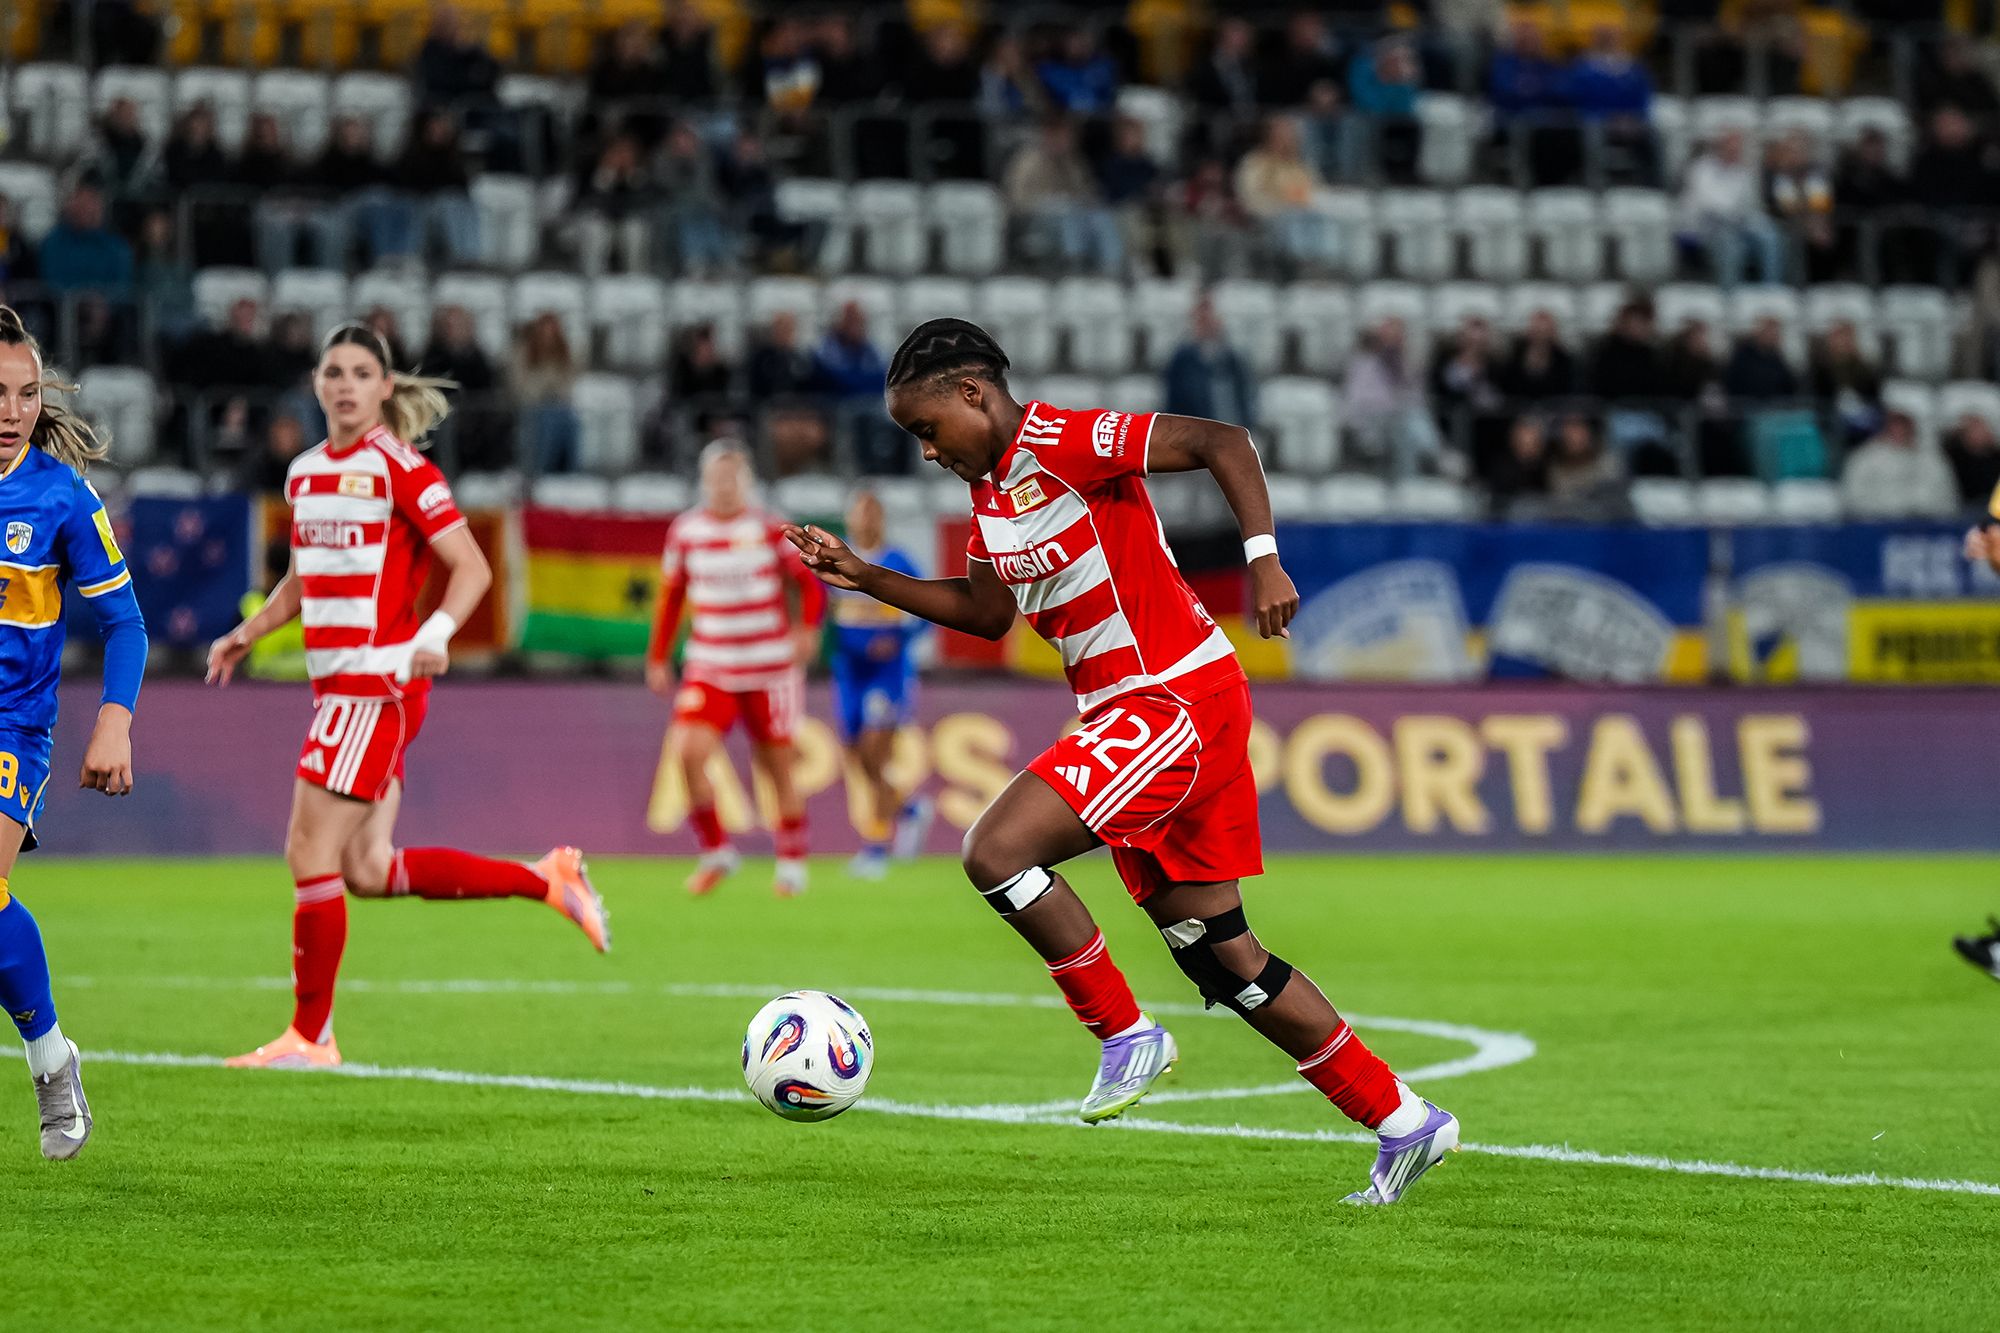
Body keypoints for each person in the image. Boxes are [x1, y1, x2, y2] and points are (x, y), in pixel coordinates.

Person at [785, 319, 1459, 1205]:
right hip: (1135, 713)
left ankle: (1124, 1033)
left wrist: (1263, 561)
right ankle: (1405, 1119)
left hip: (1174, 697)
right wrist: (866, 576)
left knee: (996, 849)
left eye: (928, 428)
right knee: (1222, 957)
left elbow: (1222, 441)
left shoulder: (1066, 440)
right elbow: (986, 614)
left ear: (973, 394)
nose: (927, 452)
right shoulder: (991, 497)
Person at [204, 323, 608, 1070]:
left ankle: (310, 1037)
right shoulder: (304, 473)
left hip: (377, 684)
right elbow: (301, 581)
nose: (346, 385)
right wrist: (246, 633)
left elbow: (473, 567)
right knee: (365, 869)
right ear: (317, 384)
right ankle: (546, 878)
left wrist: (439, 632)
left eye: (362, 372)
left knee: (307, 849)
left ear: (385, 387)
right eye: (333, 372)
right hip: (338, 686)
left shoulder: (403, 470)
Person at [0, 305, 147, 1158]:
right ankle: (52, 1051)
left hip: (13, 725)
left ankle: (50, 1063)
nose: (12, 410)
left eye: (25, 393)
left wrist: (113, 722)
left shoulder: (60, 495)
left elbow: (125, 622)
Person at [645, 441, 825, 898]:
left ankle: (791, 863)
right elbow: (671, 596)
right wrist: (658, 656)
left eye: (732, 478)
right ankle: (716, 852)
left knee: (776, 766)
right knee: (687, 753)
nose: (724, 486)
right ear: (704, 481)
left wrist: (807, 629)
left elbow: (809, 584)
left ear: (747, 482)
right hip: (711, 665)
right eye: (717, 478)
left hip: (769, 668)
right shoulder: (686, 531)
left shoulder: (768, 528)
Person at [827, 490, 932, 880]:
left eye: (873, 512)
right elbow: (824, 614)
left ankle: (875, 848)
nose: (866, 519)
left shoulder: (899, 562)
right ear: (850, 519)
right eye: (860, 512)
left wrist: (900, 638)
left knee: (875, 752)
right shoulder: (835, 562)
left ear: (882, 519)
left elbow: (927, 610)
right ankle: (909, 810)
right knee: (858, 757)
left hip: (886, 675)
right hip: (849, 673)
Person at [1680, 129, 1783, 286]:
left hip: (1737, 223)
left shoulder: (1742, 171)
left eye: (1737, 148)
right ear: (1720, 148)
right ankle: (1729, 294)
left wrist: (1745, 216)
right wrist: (1734, 213)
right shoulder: (1702, 168)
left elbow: (1750, 204)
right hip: (1705, 227)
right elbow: (1708, 204)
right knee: (1732, 246)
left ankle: (1771, 289)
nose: (1735, 152)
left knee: (1770, 237)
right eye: (1730, 147)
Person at [1840, 410, 1956, 518]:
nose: (1900, 433)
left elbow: (1948, 496)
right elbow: (1853, 498)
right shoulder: (1864, 458)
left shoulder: (1932, 459)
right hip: (1876, 522)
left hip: (1926, 523)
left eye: (1905, 429)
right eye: (1895, 429)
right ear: (1885, 431)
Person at [1162, 295, 1255, 429]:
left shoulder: (1232, 358)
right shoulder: (1181, 360)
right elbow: (1174, 399)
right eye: (1201, 320)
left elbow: (1244, 395)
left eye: (1209, 319)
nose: (1206, 325)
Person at [1944, 411, 2000, 508]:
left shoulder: (1995, 456)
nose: (1978, 434)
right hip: (1966, 506)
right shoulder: (1956, 458)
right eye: (1972, 430)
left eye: (1981, 429)